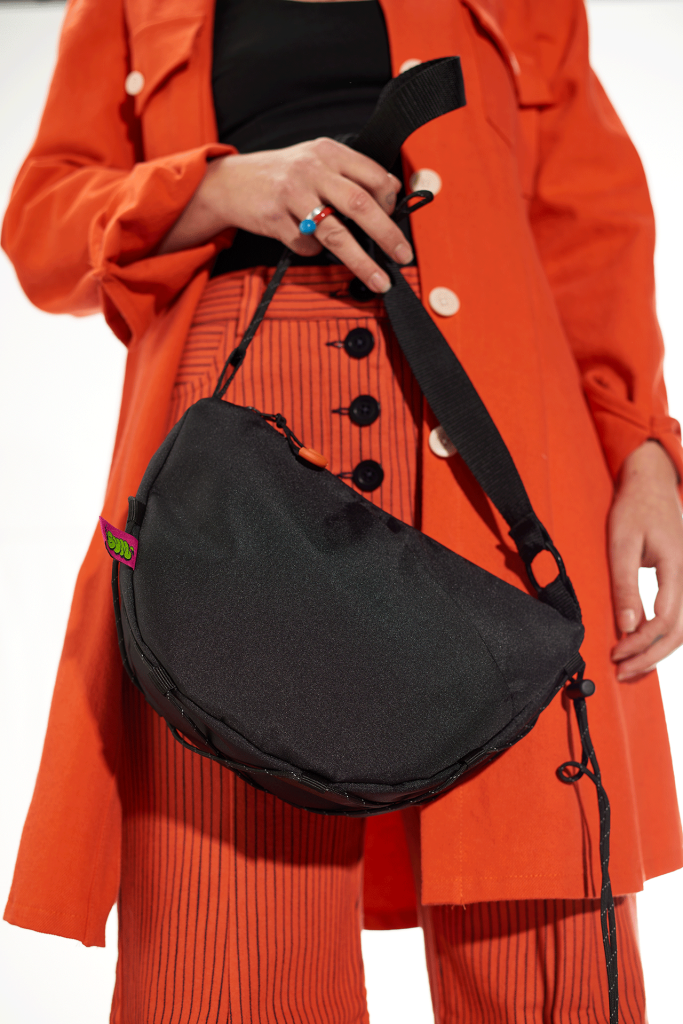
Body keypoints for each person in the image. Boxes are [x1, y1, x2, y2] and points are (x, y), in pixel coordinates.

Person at [3, 0, 683, 1020]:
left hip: (496, 438)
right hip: (236, 450)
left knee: (540, 927)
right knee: (225, 945)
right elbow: (41, 228)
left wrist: (643, 450)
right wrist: (222, 185)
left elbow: (587, 221)